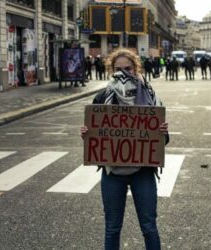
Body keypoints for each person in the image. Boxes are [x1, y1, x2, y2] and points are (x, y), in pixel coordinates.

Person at [80, 49, 169, 250]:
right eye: (118, 69)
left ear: (136, 68)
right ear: (111, 71)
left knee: (149, 226)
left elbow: (161, 142)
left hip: (143, 172)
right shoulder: (102, 98)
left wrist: (162, 132)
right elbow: (96, 135)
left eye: (127, 68)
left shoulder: (151, 96)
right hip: (112, 173)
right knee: (112, 228)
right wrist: (88, 133)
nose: (123, 73)